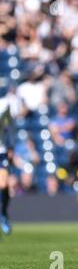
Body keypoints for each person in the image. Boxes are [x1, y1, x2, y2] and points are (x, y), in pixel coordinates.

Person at [0, 90, 14, 236]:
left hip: (1, 151)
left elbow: (11, 125)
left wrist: (11, 145)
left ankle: (3, 214)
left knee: (3, 184)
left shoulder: (3, 105)